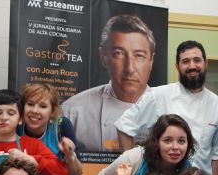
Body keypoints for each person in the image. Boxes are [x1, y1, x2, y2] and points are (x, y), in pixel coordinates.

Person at [116, 40, 218, 175]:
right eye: (185, 61)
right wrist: (131, 172)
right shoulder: (158, 95)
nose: (192, 66)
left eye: (197, 60)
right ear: (177, 66)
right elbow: (124, 126)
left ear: (205, 64)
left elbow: (217, 152)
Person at [62, 14, 156, 152]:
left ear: (151, 60)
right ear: (103, 56)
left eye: (139, 56)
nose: (130, 68)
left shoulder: (166, 109)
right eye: (119, 53)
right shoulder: (72, 110)